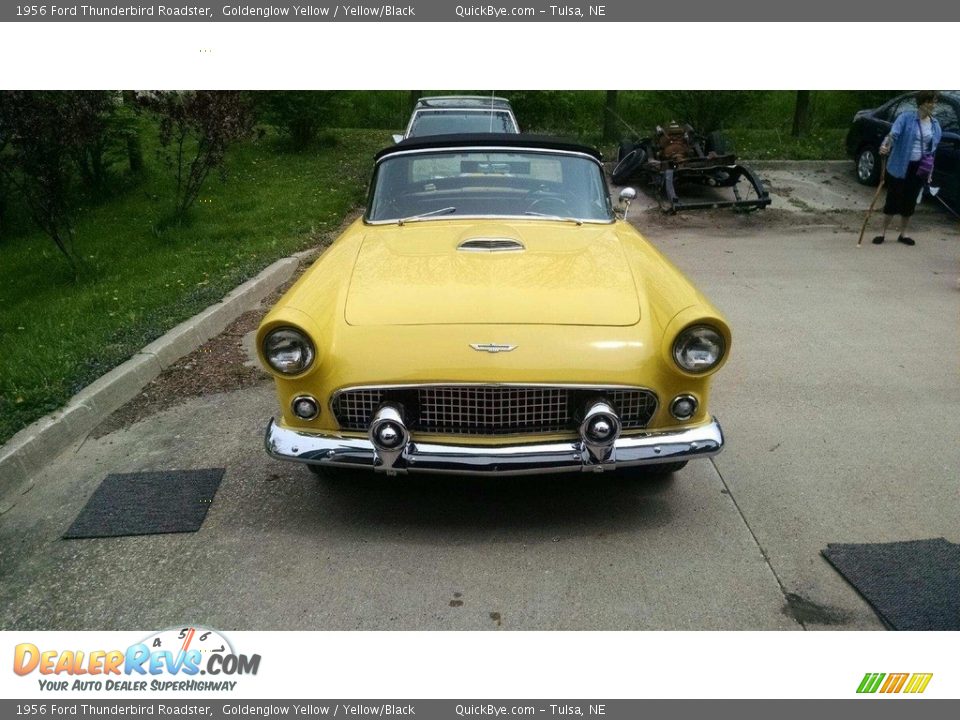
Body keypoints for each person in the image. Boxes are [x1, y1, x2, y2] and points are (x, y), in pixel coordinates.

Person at [873, 91, 942, 246]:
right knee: (893, 199)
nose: (933, 105)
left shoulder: (935, 125)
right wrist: (885, 145)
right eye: (930, 101)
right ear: (922, 103)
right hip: (900, 165)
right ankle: (882, 232)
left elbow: (933, 150)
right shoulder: (906, 118)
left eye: (935, 102)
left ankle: (903, 234)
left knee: (909, 202)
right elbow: (893, 134)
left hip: (919, 168)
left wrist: (930, 171)